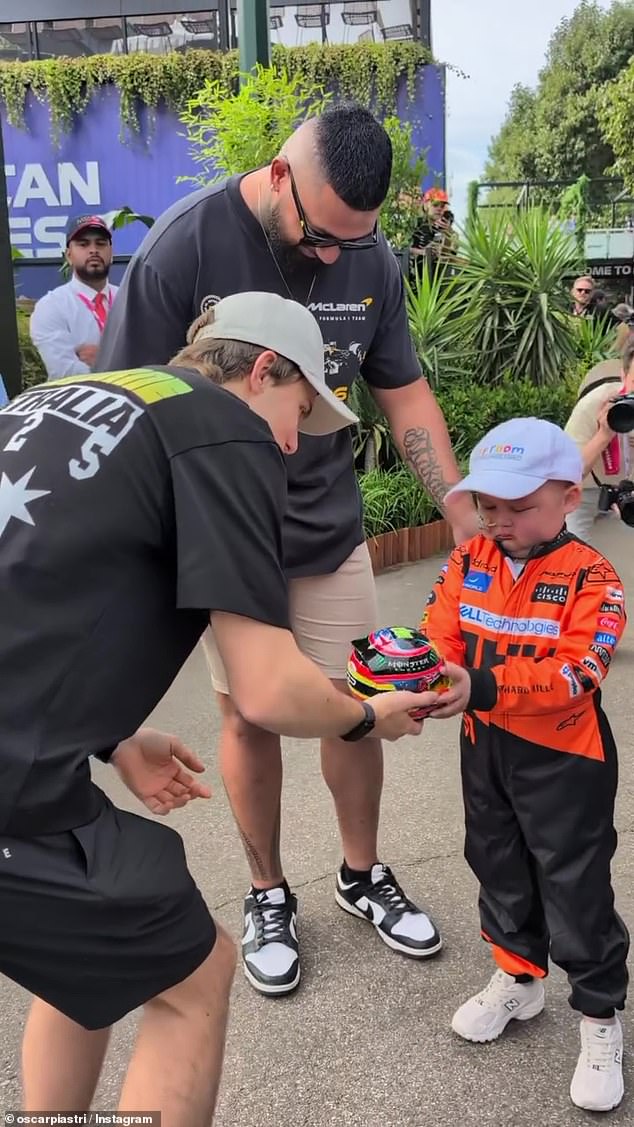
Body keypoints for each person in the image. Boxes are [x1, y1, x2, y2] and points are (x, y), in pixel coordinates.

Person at [0, 291, 432, 1126]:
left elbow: (35, 583)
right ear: (264, 367)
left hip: (25, 763)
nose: (288, 447)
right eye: (294, 415)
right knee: (193, 980)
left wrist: (112, 734)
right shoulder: (224, 428)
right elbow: (267, 685)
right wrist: (366, 717)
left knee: (84, 965)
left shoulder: (62, 400)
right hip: (14, 794)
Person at [95, 103, 477, 996]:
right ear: (277, 176)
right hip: (226, 530)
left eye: (358, 238)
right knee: (248, 713)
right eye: (320, 234)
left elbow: (406, 395)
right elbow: (126, 404)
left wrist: (456, 509)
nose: (336, 255)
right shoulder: (182, 251)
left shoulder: (367, 253)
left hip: (323, 518)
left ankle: (361, 871)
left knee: (355, 701)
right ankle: (268, 890)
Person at [420, 417, 629, 1113]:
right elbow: (438, 632)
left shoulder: (594, 576)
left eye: (519, 506)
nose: (499, 522)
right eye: (488, 505)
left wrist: (478, 685)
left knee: (574, 885)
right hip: (483, 749)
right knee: (496, 862)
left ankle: (600, 1018)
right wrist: (407, 674)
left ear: (570, 497)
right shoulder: (469, 557)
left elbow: (578, 673)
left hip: (564, 758)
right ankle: (518, 976)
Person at [30, 214, 118, 380]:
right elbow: (64, 373)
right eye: (83, 244)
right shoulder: (51, 306)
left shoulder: (129, 298)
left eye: (100, 243)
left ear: (111, 253)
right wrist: (123, 362)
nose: (93, 250)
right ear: (69, 256)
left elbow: (152, 357)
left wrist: (102, 360)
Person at [565, 334, 634, 542]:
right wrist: (604, 434)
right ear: (623, 375)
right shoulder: (594, 405)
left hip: (629, 491)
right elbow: (567, 474)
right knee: (568, 549)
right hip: (584, 491)